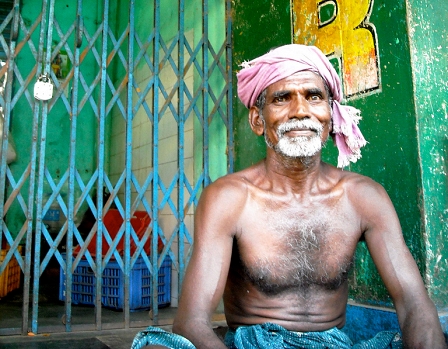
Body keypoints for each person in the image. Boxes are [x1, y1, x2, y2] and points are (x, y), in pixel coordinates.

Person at [131, 44, 447, 349]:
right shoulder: (229, 199)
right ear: (258, 120)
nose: (300, 111)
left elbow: (414, 304)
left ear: (330, 115)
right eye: (283, 98)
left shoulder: (364, 197)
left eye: (314, 97)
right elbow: (191, 322)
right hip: (251, 344)